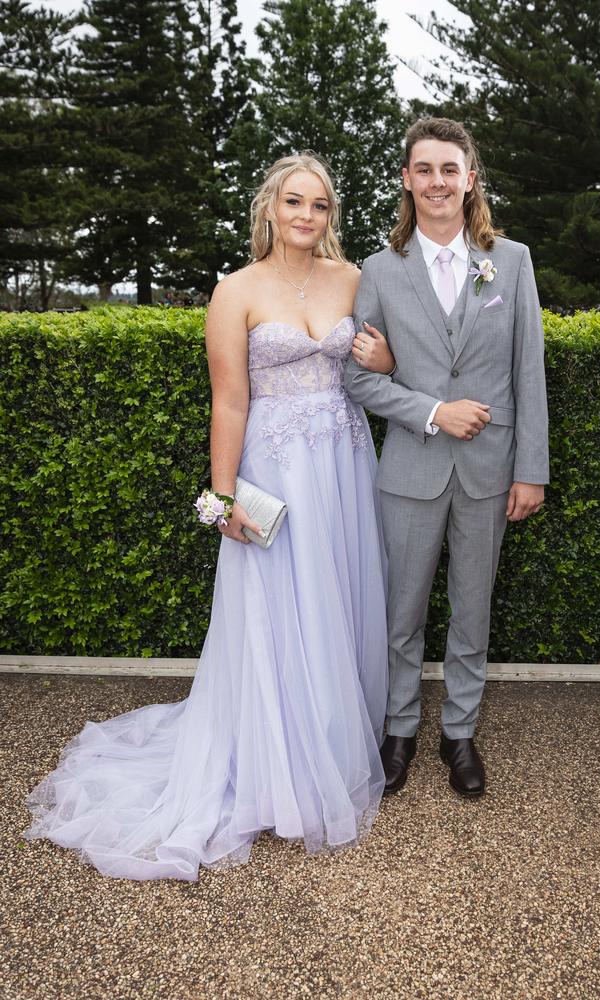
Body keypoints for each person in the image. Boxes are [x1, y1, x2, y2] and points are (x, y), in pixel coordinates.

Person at [23, 152, 395, 881]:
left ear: (331, 214)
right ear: (269, 208)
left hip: (346, 464)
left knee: (339, 600)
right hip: (275, 467)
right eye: (294, 203)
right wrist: (219, 500)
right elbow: (229, 401)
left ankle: (331, 747)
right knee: (275, 609)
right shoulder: (235, 291)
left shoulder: (354, 279)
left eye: (319, 206)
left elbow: (378, 369)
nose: (306, 217)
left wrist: (381, 364)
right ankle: (272, 767)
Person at [345, 117, 549, 799]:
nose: (437, 182)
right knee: (401, 613)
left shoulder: (511, 262)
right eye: (423, 169)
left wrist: (531, 469)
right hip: (409, 469)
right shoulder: (377, 270)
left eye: (449, 170)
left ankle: (459, 732)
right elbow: (361, 378)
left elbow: (529, 371)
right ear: (406, 179)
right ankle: (399, 729)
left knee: (472, 609)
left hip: (492, 473)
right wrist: (433, 411)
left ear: (469, 179)